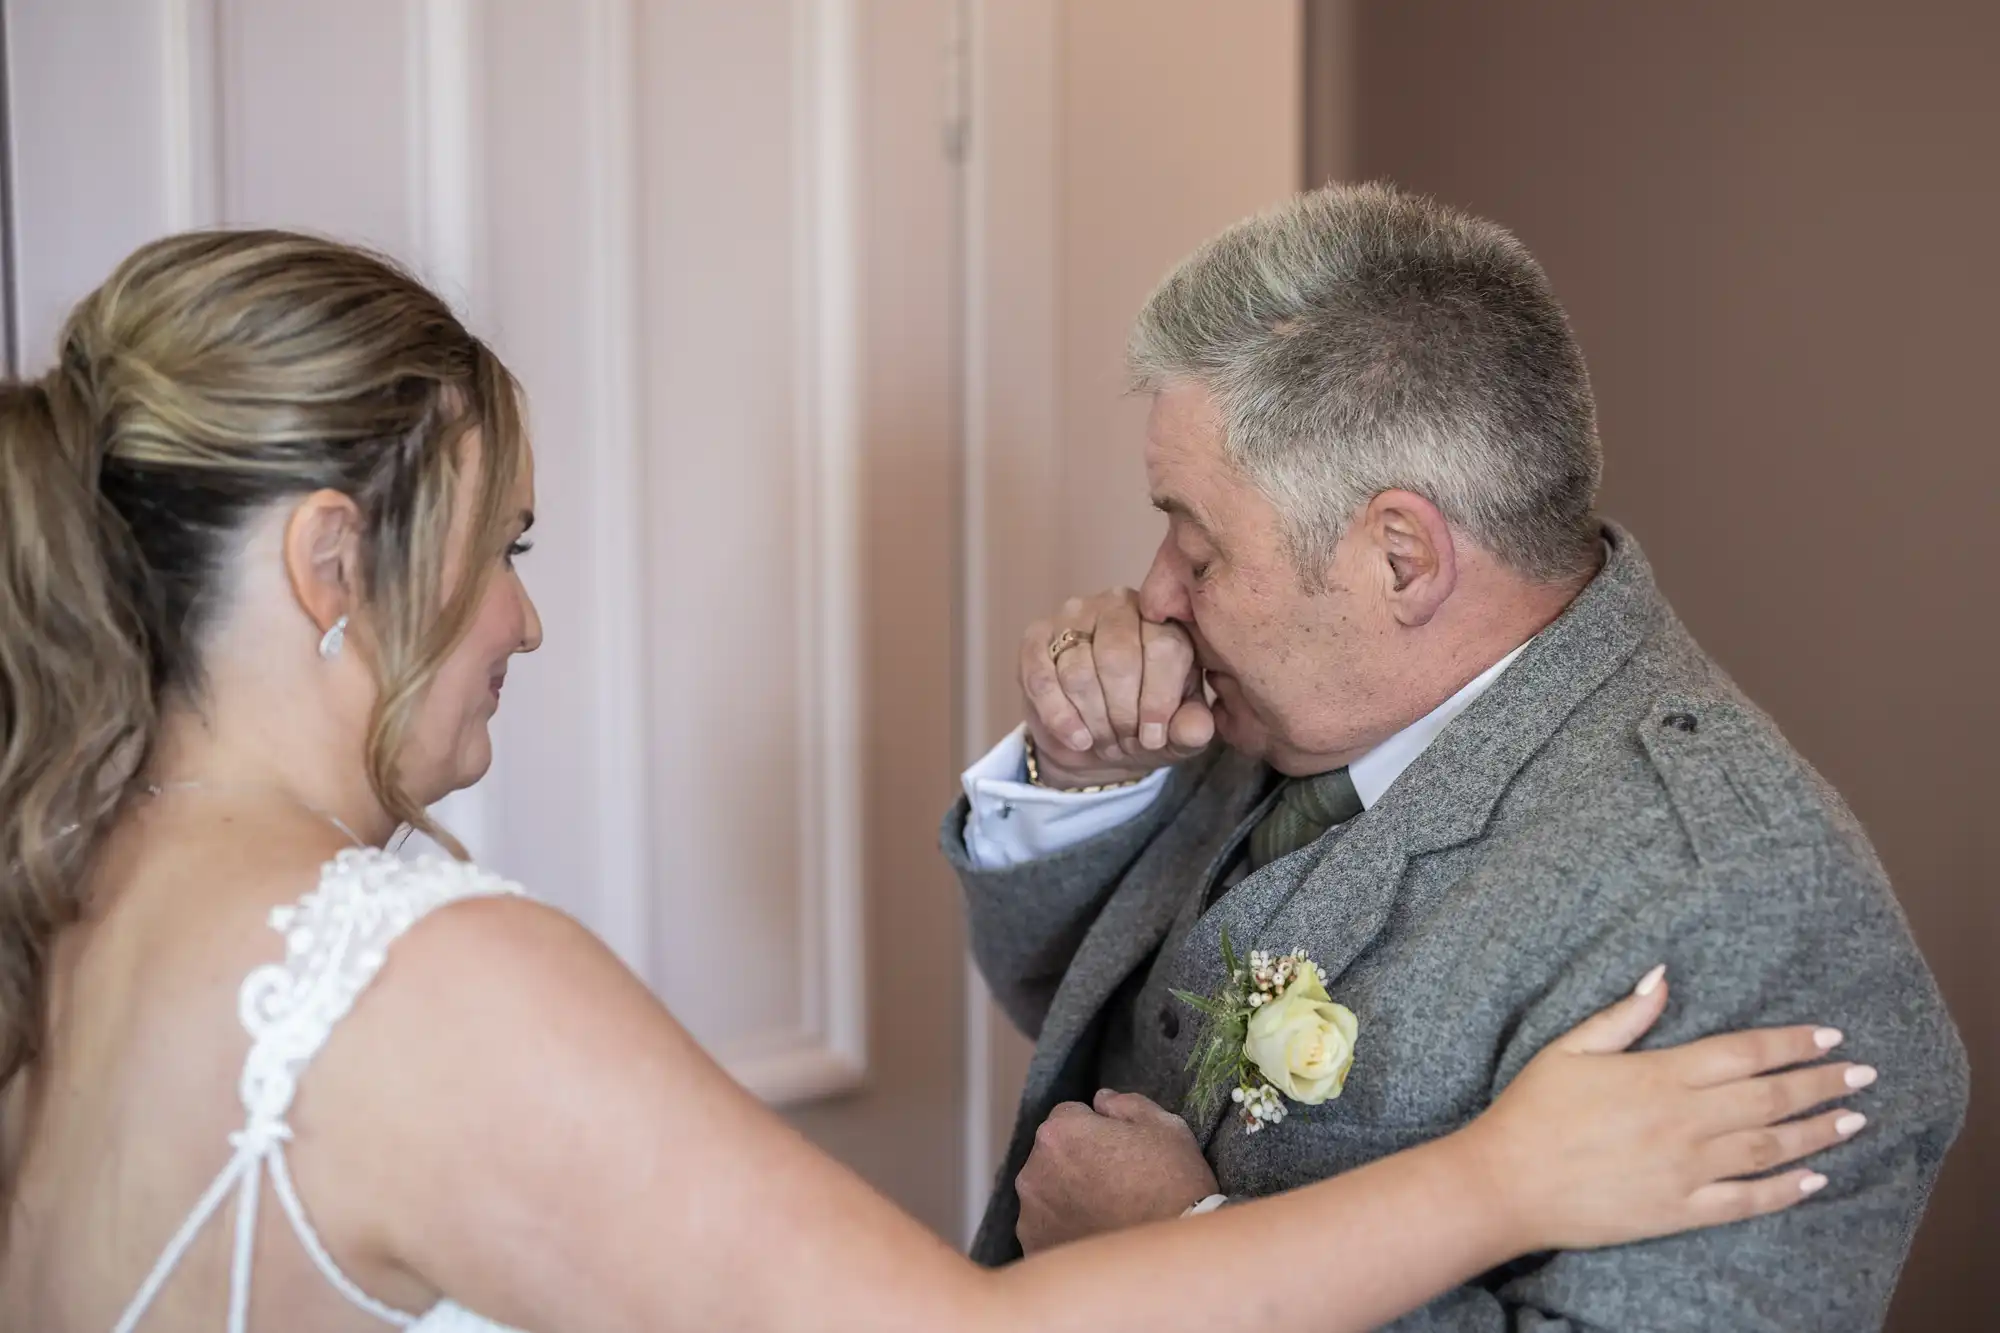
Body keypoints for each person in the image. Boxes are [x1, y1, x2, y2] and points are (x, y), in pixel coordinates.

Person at [0, 230, 1862, 1333]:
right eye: (507, 543)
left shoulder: (75, 892)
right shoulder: (413, 976)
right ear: (330, 565)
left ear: (1397, 555)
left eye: (1186, 538)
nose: (524, 620)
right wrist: (1494, 1176)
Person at [944, 183, 1969, 1328]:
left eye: (1196, 544)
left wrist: (1179, 1258)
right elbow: (1076, 1001)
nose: (1154, 593)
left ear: (1399, 559)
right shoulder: (1285, 692)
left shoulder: (1731, 901)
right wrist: (1080, 775)